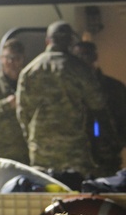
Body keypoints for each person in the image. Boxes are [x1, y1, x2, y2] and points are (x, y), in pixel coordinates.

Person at [17, 21, 107, 189]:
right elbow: (97, 102)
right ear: (69, 42)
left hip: (42, 150)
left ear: (47, 41)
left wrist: (32, 140)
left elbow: (23, 112)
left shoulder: (30, 71)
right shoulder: (80, 68)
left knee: (44, 198)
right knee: (78, 197)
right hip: (75, 150)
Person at [72, 40, 126, 176]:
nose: (83, 60)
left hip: (107, 157)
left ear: (94, 57)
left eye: (86, 55)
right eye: (78, 56)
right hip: (76, 157)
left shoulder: (113, 87)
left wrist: (115, 142)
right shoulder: (69, 87)